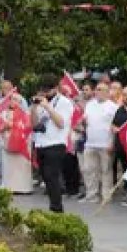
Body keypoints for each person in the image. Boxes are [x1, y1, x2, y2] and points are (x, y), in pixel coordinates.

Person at [30, 75, 75, 213]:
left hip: (55, 143)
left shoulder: (64, 102)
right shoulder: (42, 102)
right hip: (41, 143)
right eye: (42, 90)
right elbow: (35, 124)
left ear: (56, 88)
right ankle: (53, 204)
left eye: (47, 90)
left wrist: (48, 107)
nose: (44, 93)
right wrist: (33, 108)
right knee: (45, 177)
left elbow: (61, 123)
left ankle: (56, 208)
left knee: (52, 176)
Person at [80, 82, 118, 203]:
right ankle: (91, 194)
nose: (98, 92)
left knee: (106, 170)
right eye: (97, 89)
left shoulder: (113, 106)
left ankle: (106, 195)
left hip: (105, 143)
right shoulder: (90, 105)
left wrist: (112, 142)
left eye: (101, 90)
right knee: (89, 170)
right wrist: (83, 122)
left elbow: (115, 126)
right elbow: (85, 121)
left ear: (107, 92)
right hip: (90, 143)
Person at [0, 81, 34, 194]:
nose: (14, 102)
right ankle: (10, 187)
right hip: (8, 143)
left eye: (16, 100)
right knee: (9, 166)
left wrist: (16, 125)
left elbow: (28, 125)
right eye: (12, 100)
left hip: (22, 142)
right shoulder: (3, 110)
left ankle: (24, 188)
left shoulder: (24, 109)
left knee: (23, 165)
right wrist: (5, 126)